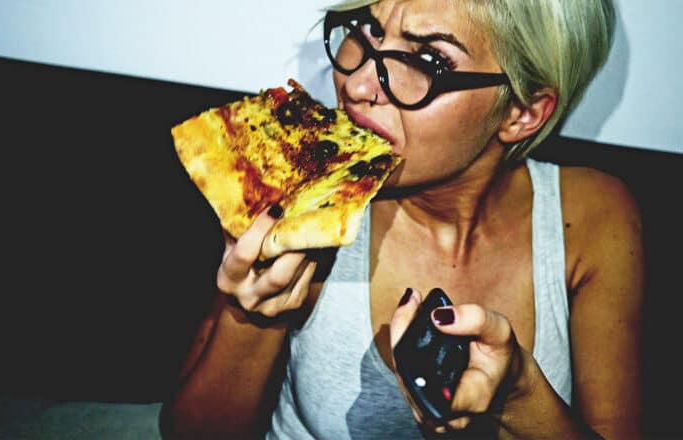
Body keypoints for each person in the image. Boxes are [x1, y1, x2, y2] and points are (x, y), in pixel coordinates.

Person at [161, 0, 643, 438]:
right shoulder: (312, 192)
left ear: (522, 112)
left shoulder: (591, 216)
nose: (357, 84)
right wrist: (251, 311)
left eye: (426, 61)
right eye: (368, 31)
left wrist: (520, 397)